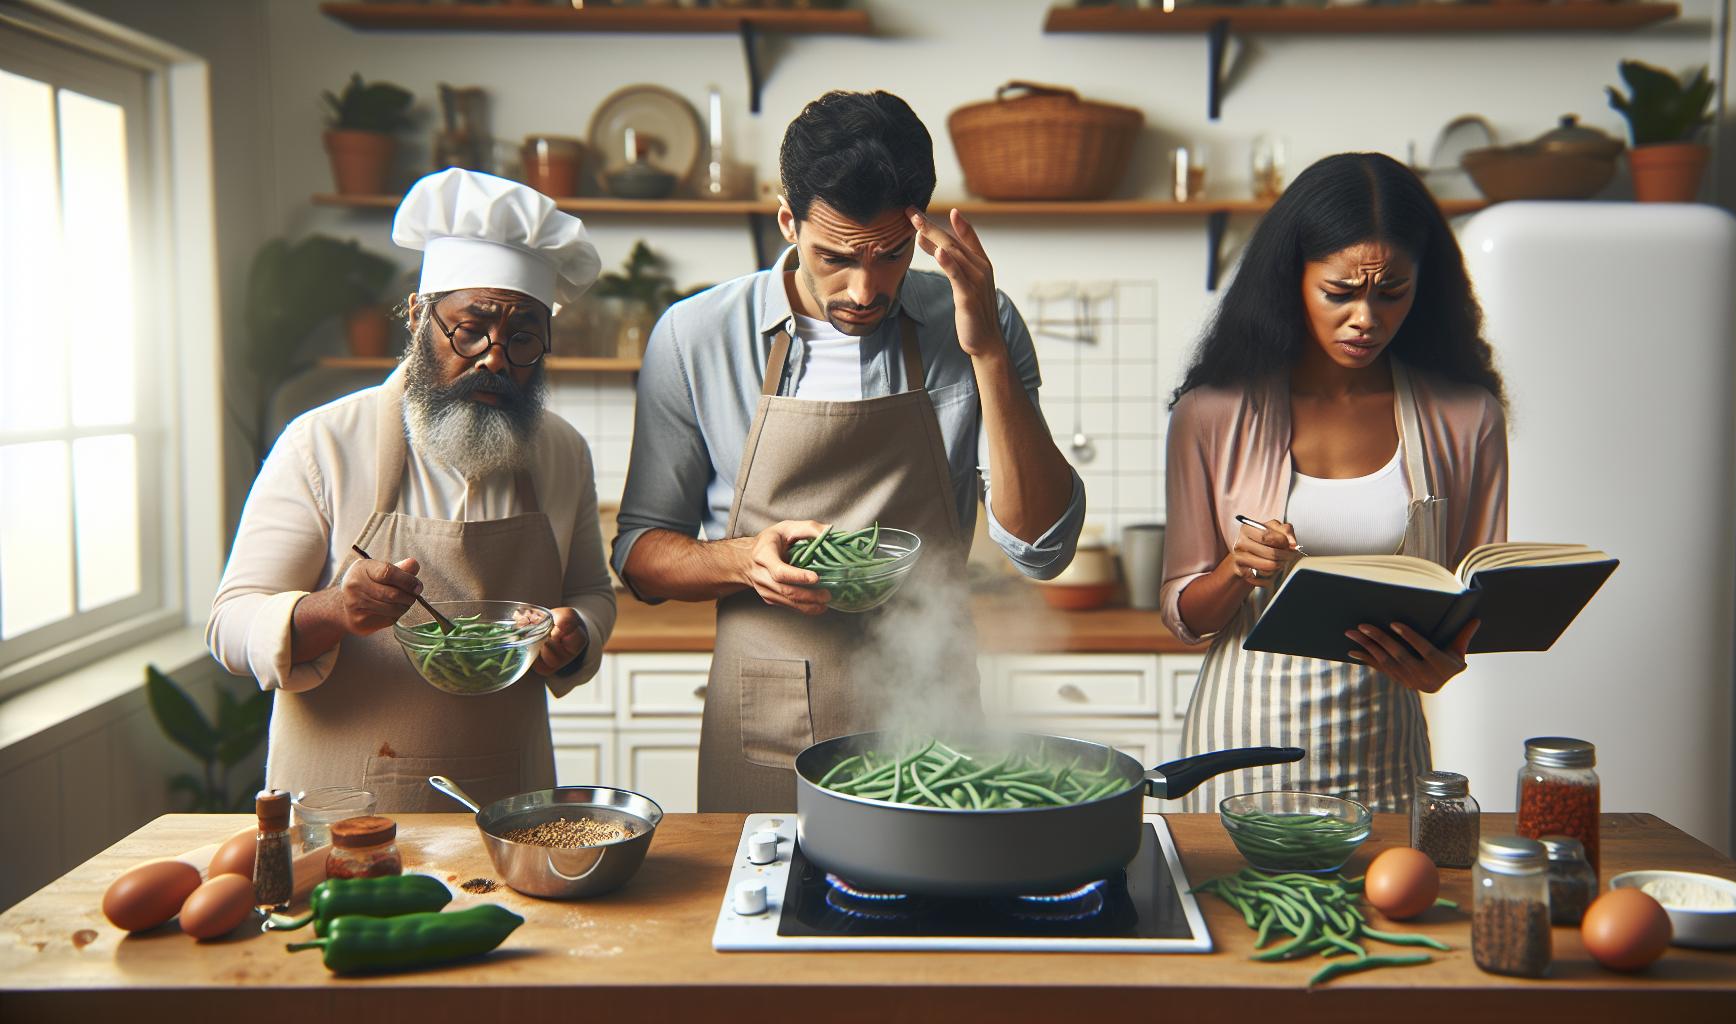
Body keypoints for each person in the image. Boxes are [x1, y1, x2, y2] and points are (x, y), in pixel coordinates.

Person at [613, 90, 1084, 812]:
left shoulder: (972, 319)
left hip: (934, 712)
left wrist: (985, 347)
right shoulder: (695, 335)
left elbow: (1041, 551)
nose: (864, 289)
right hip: (766, 716)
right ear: (787, 222)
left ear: (921, 233)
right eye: (832, 256)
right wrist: (744, 560)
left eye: (891, 256)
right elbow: (641, 553)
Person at [208, 169, 618, 812]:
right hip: (340, 803)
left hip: (510, 798)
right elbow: (231, 625)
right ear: (418, 315)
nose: (494, 358)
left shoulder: (561, 452)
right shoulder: (322, 442)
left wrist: (575, 634)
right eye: (470, 327)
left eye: (523, 338)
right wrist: (335, 611)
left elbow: (590, 593)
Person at [1161, 152, 1508, 813]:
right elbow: (1185, 615)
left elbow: (1473, 601)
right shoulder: (1210, 414)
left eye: (1392, 292)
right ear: (1292, 280)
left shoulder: (1467, 419)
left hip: (1385, 750)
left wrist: (1446, 661)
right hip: (1240, 744)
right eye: (1340, 293)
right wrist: (1237, 570)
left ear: (1424, 287)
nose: (1366, 320)